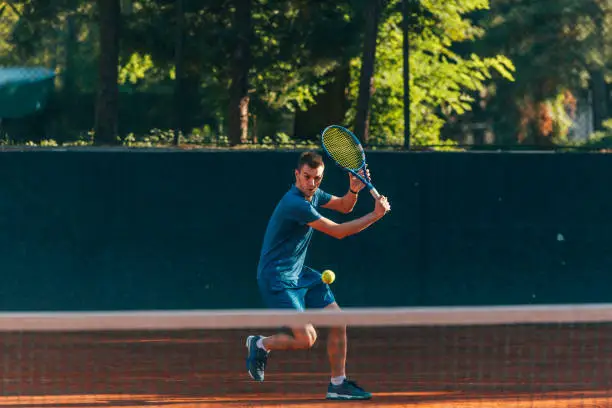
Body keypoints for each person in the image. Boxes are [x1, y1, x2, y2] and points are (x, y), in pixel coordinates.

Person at [245, 151, 391, 400]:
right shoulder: (296, 204)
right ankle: (260, 344)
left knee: (338, 320)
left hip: (300, 274)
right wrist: (376, 215)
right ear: (297, 175)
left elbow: (344, 206)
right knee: (306, 339)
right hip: (277, 278)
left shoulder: (314, 195)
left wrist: (353, 190)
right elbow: (338, 231)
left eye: (317, 178)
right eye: (307, 177)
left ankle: (338, 384)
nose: (312, 183)